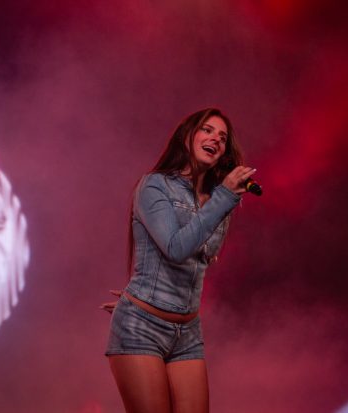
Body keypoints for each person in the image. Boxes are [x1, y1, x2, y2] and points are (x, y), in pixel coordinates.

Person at [103, 108, 256, 413]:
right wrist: (144, 299)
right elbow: (175, 248)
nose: (216, 139)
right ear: (187, 137)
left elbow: (201, 258)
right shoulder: (155, 185)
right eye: (207, 130)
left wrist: (222, 199)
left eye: (223, 138)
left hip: (187, 331)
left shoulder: (217, 198)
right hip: (142, 327)